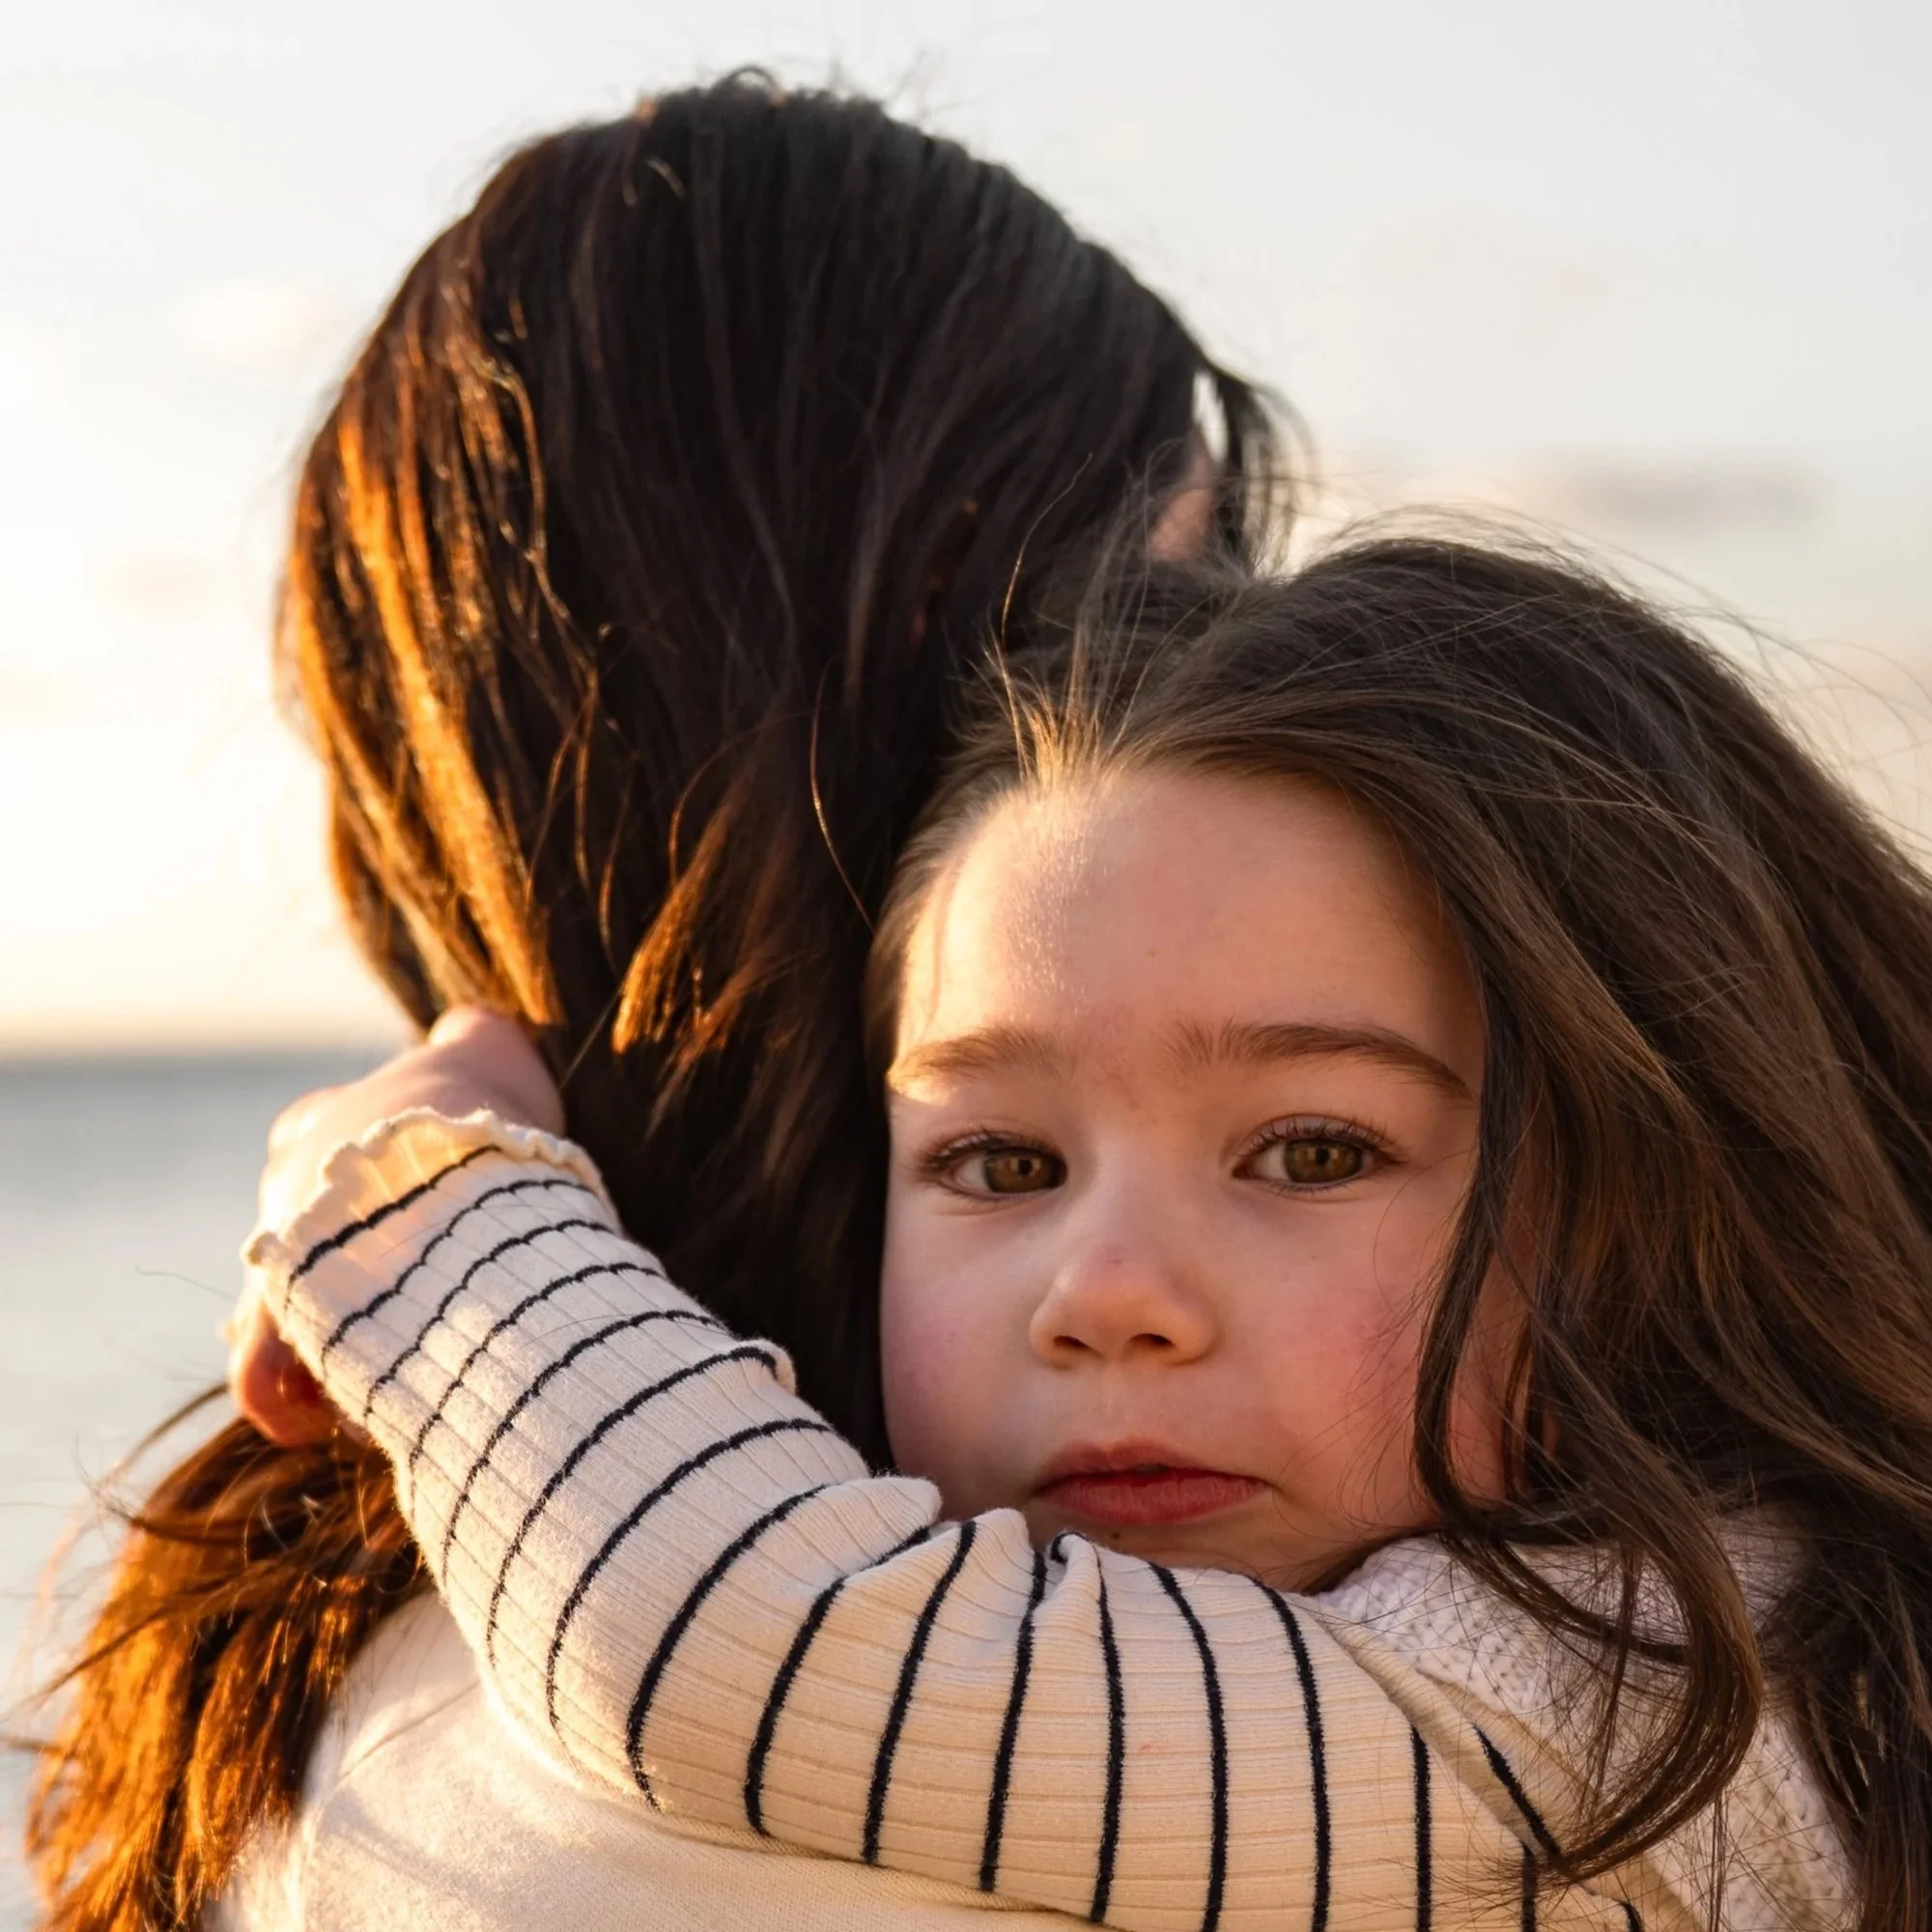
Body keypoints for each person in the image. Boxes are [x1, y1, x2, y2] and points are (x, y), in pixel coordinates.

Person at [242, 533, 1930, 1930]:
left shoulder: (1683, 1704)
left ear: (1666, 1197)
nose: (1107, 1296)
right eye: (997, 1162)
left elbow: (713, 1630)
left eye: (1316, 1148)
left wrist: (413, 1175)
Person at [26, 80, 1277, 1932]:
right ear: (920, 689)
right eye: (1179, 618)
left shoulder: (299, 1618)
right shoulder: (1026, 1737)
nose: (1253, 722)